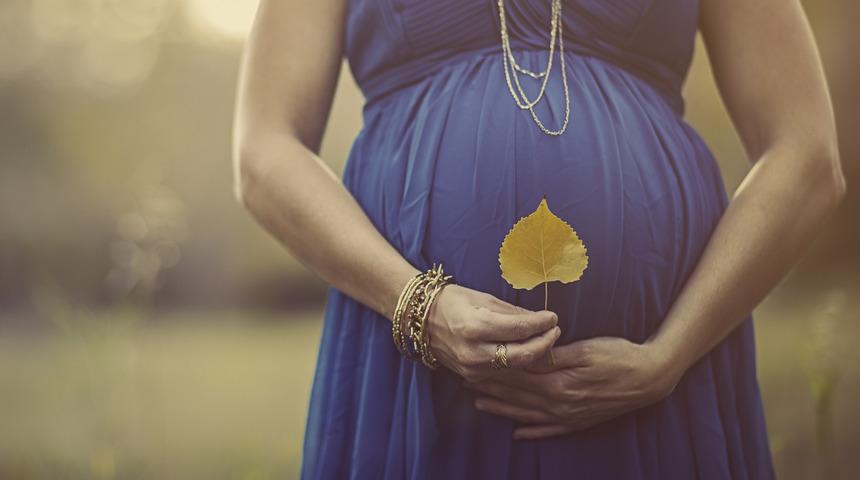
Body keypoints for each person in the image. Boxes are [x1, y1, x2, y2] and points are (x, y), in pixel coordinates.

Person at [232, 0, 846, 478]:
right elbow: (265, 152)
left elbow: (807, 157)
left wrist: (669, 357)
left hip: (655, 386)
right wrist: (420, 304)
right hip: (417, 369)